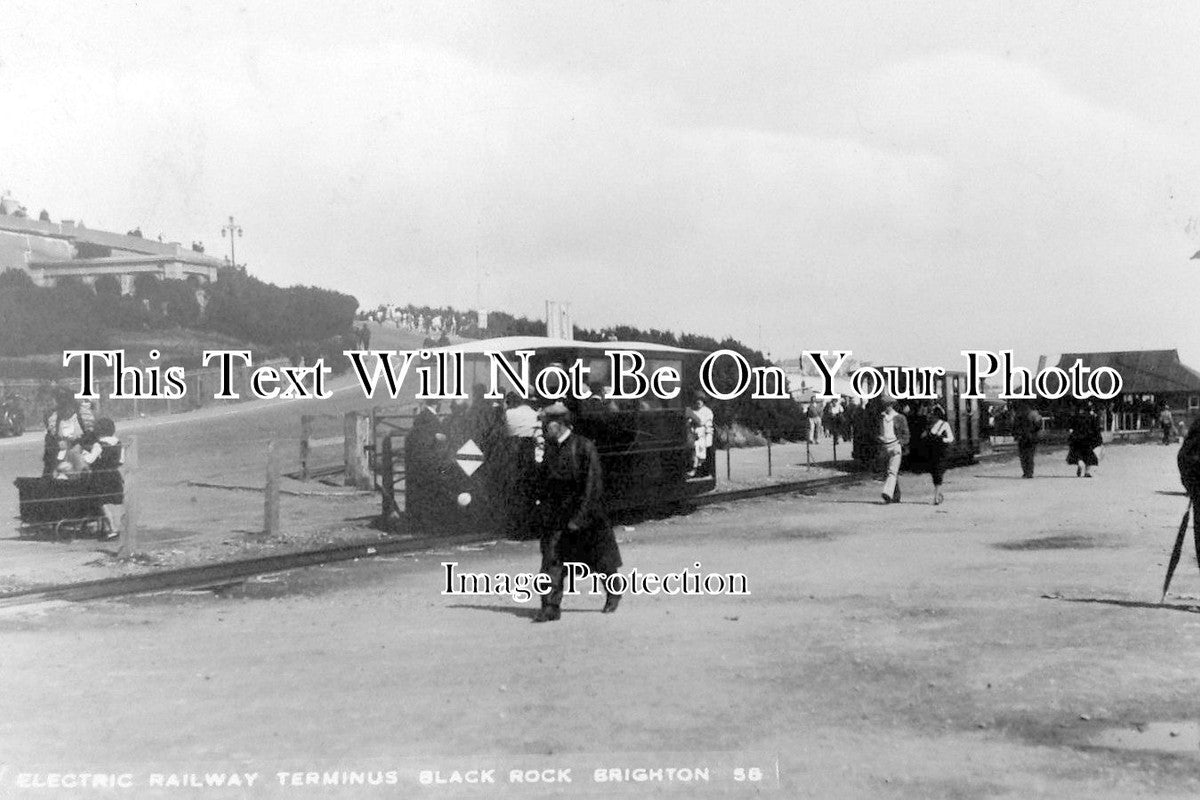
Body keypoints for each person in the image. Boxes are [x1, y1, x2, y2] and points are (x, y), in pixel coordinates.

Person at [534, 403, 623, 622]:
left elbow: (593, 485)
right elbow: (544, 483)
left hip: (585, 515)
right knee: (552, 560)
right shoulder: (549, 448)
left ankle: (613, 593)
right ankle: (550, 607)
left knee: (601, 560)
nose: (545, 428)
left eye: (548, 424)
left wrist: (580, 517)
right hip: (557, 516)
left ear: (561, 424)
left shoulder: (583, 446)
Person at [404, 399, 450, 531]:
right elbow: (436, 437)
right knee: (431, 491)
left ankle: (418, 521)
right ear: (437, 404)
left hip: (417, 460)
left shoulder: (421, 417)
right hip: (430, 459)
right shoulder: (432, 419)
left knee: (420, 492)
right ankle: (429, 523)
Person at [80, 418, 124, 539]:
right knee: (113, 502)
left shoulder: (98, 444)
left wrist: (84, 452)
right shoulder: (118, 442)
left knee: (102, 503)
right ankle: (114, 526)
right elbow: (121, 461)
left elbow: (90, 460)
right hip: (114, 474)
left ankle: (112, 528)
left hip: (100, 476)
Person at [877, 396, 910, 503]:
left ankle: (887, 493)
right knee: (889, 473)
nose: (886, 407)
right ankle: (896, 495)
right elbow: (877, 431)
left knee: (892, 472)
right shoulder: (881, 417)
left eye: (888, 405)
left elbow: (906, 433)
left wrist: (901, 443)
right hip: (884, 447)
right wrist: (879, 438)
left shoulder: (899, 417)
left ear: (892, 405)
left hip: (895, 446)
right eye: (884, 405)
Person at [923, 404, 954, 505]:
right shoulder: (929, 425)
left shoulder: (944, 424)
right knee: (934, 473)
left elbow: (951, 438)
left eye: (933, 414)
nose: (931, 415)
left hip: (941, 452)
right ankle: (938, 492)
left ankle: (936, 497)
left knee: (938, 473)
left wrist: (942, 440)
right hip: (931, 452)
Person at [1067, 403, 1103, 478]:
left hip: (1077, 439)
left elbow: (1071, 427)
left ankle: (1080, 465)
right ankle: (1087, 472)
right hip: (1089, 439)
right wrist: (1099, 440)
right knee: (1089, 456)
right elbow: (1096, 429)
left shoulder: (1076, 417)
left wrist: (1071, 436)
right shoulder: (1092, 417)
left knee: (1078, 455)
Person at [1011, 401, 1043, 479]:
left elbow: (1014, 426)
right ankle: (1029, 472)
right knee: (1030, 455)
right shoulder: (1033, 414)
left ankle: (1026, 472)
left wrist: (1015, 435)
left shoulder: (1017, 415)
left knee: (1023, 455)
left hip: (1022, 437)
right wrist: (1035, 431)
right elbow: (1039, 424)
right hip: (1032, 437)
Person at [688, 395, 714, 476]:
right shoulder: (692, 411)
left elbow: (706, 423)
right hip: (694, 435)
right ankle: (694, 470)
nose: (698, 402)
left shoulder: (707, 411)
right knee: (694, 453)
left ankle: (702, 471)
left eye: (700, 400)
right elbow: (689, 421)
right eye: (697, 400)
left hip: (704, 434)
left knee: (702, 454)